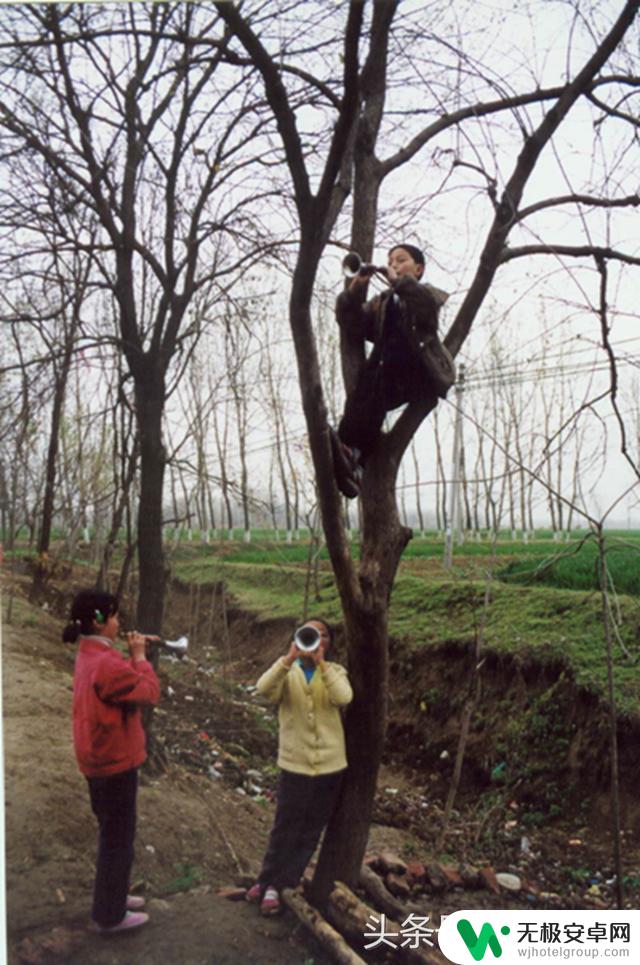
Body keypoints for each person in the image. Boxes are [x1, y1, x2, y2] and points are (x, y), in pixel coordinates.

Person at [63, 588, 160, 934]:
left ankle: (114, 896)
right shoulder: (106, 664)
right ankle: (109, 915)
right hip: (114, 763)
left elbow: (117, 678)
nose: (120, 623)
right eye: (115, 616)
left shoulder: (91, 653)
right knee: (118, 838)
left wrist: (128, 654)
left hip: (97, 759)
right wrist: (140, 657)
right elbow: (148, 692)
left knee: (112, 833)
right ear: (99, 621)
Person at [245, 618, 353, 916]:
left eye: (322, 636)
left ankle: (281, 885)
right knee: (285, 827)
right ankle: (266, 880)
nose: (316, 640)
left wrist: (322, 665)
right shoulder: (287, 672)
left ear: (329, 643)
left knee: (310, 831)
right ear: (296, 638)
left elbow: (344, 697)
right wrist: (289, 657)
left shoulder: (335, 672)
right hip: (295, 765)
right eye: (309, 634)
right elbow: (263, 688)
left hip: (330, 767)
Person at [331, 243, 455, 497]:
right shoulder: (383, 302)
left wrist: (399, 282)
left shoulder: (428, 294)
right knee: (366, 392)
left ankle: (352, 457)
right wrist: (356, 291)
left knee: (376, 381)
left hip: (420, 372)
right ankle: (353, 461)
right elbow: (354, 325)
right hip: (388, 374)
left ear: (418, 269)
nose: (394, 265)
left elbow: (424, 309)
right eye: (390, 261)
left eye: (401, 260)